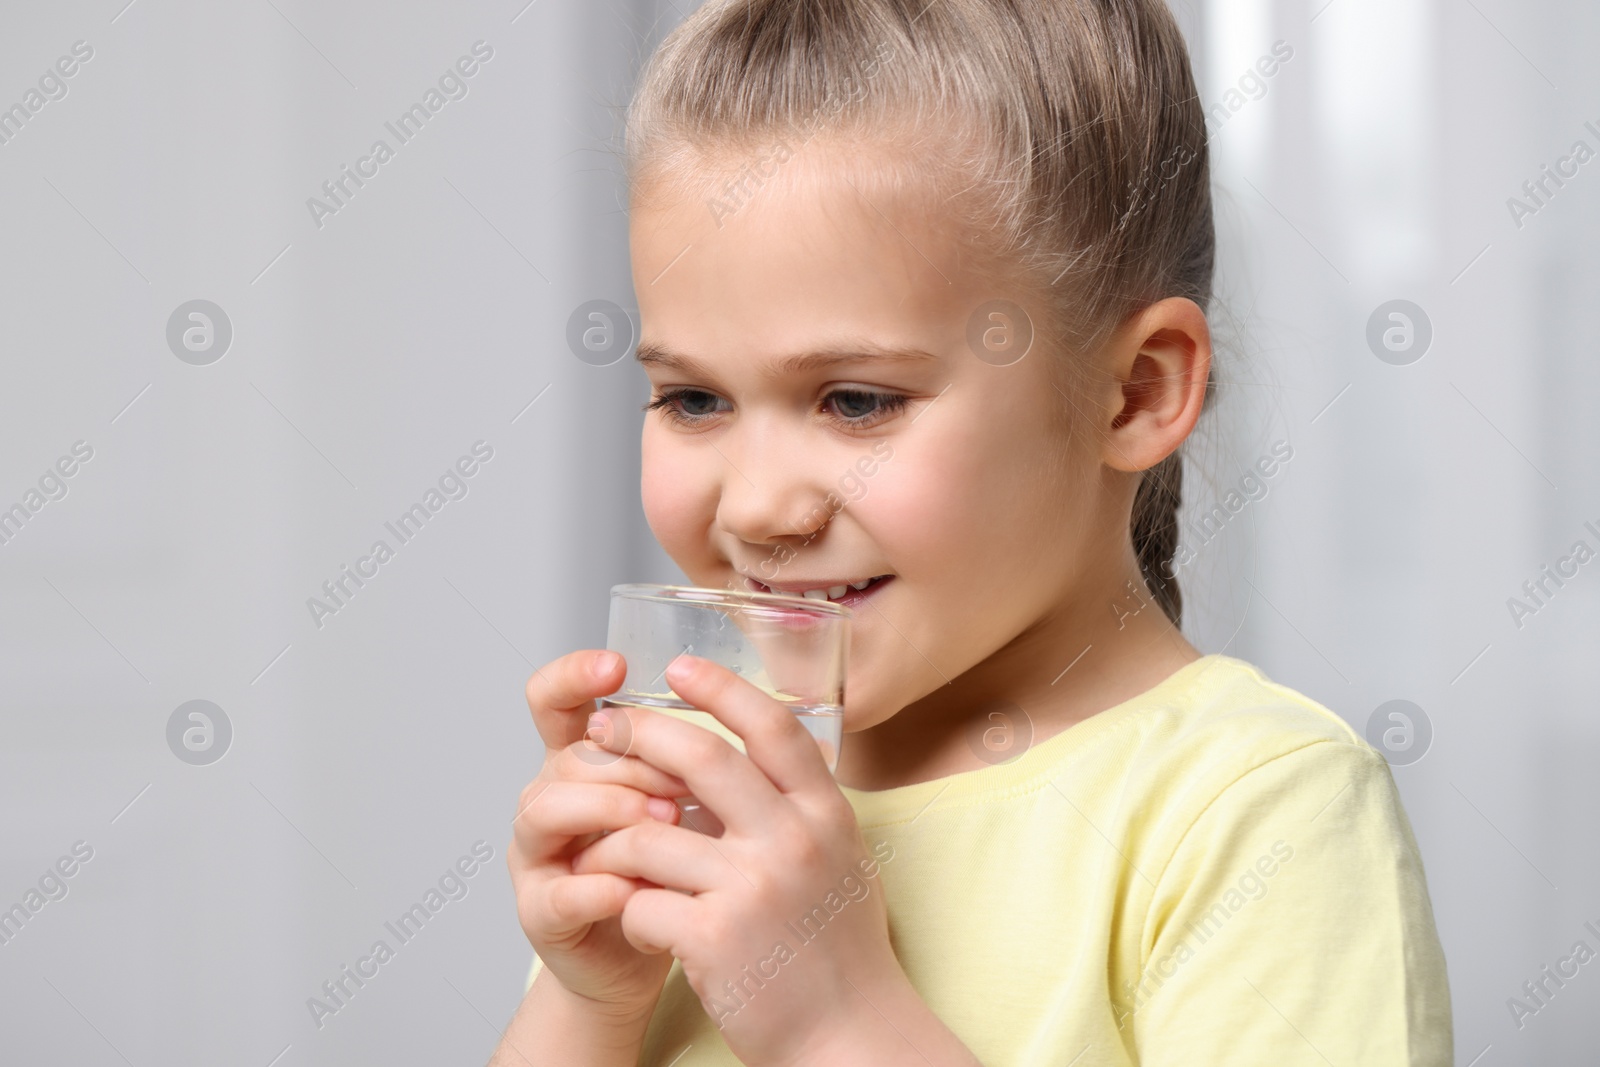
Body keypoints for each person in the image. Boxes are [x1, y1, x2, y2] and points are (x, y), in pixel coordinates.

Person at [493, 0, 1453, 1063]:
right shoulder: (708, 795)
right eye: (693, 400)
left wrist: (836, 1022)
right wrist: (589, 999)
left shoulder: (1255, 811)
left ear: (1131, 392)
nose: (758, 507)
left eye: (855, 401)